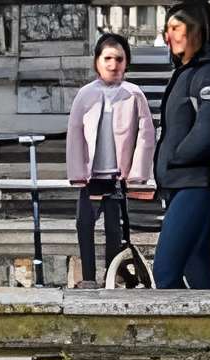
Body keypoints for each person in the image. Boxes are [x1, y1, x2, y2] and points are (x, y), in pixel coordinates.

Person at [152, 0, 210, 292]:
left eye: (175, 28)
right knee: (198, 275)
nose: (168, 36)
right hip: (184, 182)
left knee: (165, 271)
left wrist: (173, 161)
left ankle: (175, 334)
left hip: (199, 183)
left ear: (197, 29)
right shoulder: (191, 70)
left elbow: (208, 133)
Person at [65, 30, 154, 287]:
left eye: (119, 59)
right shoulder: (85, 94)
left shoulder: (134, 94)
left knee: (115, 229)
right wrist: (76, 171)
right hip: (90, 174)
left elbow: (146, 136)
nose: (113, 65)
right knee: (85, 225)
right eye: (107, 58)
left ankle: (112, 276)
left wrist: (138, 172)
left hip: (118, 175)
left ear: (126, 62)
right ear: (97, 61)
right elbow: (75, 135)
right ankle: (89, 277)